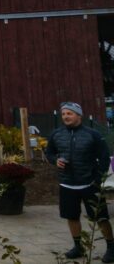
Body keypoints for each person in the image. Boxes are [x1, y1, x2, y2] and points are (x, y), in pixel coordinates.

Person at [46, 102, 114, 261]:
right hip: (66, 184)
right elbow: (49, 153)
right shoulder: (56, 134)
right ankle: (78, 247)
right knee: (71, 216)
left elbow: (104, 158)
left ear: (79, 115)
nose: (65, 116)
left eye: (69, 113)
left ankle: (111, 247)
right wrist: (55, 160)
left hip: (90, 184)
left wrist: (98, 179)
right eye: (63, 114)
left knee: (100, 217)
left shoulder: (93, 134)